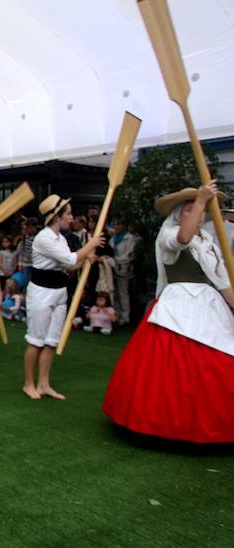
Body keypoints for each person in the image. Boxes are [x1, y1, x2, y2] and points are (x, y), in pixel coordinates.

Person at [103, 184, 234, 443]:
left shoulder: (209, 244)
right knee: (171, 368)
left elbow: (223, 283)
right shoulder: (168, 236)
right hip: (177, 307)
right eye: (191, 210)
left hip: (211, 306)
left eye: (202, 210)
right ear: (179, 215)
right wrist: (200, 199)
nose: (199, 214)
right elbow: (182, 239)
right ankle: (166, 426)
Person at [23, 195, 104, 400]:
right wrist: (90, 244)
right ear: (56, 216)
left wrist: (87, 259)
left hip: (59, 292)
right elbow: (70, 258)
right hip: (41, 293)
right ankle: (28, 384)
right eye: (68, 213)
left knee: (51, 341)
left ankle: (44, 384)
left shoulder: (61, 238)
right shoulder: (44, 237)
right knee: (36, 341)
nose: (71, 217)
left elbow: (69, 265)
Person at [109, 218, 137, 325]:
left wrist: (118, 260)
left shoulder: (129, 238)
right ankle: (116, 315)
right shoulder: (113, 238)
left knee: (123, 292)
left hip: (124, 267)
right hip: (113, 265)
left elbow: (130, 254)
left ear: (123, 226)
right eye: (114, 224)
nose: (115, 227)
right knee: (114, 292)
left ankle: (125, 317)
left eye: (118, 224)